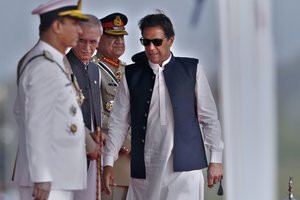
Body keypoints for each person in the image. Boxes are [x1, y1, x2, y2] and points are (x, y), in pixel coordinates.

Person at [102, 12, 224, 200]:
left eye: (157, 42)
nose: (151, 48)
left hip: (185, 171)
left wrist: (216, 159)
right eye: (146, 42)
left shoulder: (191, 70)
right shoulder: (131, 75)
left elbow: (209, 119)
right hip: (145, 172)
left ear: (171, 40)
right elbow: (118, 122)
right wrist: (108, 162)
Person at [12, 0, 89, 200]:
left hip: (57, 176)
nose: (80, 31)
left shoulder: (52, 63)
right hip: (48, 180)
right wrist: (42, 176)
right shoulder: (44, 67)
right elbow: (36, 124)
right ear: (56, 26)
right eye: (75, 24)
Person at [91, 12, 131, 200]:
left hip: (135, 162)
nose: (119, 41)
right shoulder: (92, 69)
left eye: (121, 36)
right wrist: (128, 141)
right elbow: (97, 115)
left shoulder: (128, 70)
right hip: (112, 158)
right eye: (112, 37)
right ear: (98, 40)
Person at [66, 14, 103, 200]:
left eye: (93, 42)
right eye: (82, 41)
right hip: (69, 150)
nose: (87, 48)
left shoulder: (95, 69)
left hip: (92, 154)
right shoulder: (63, 66)